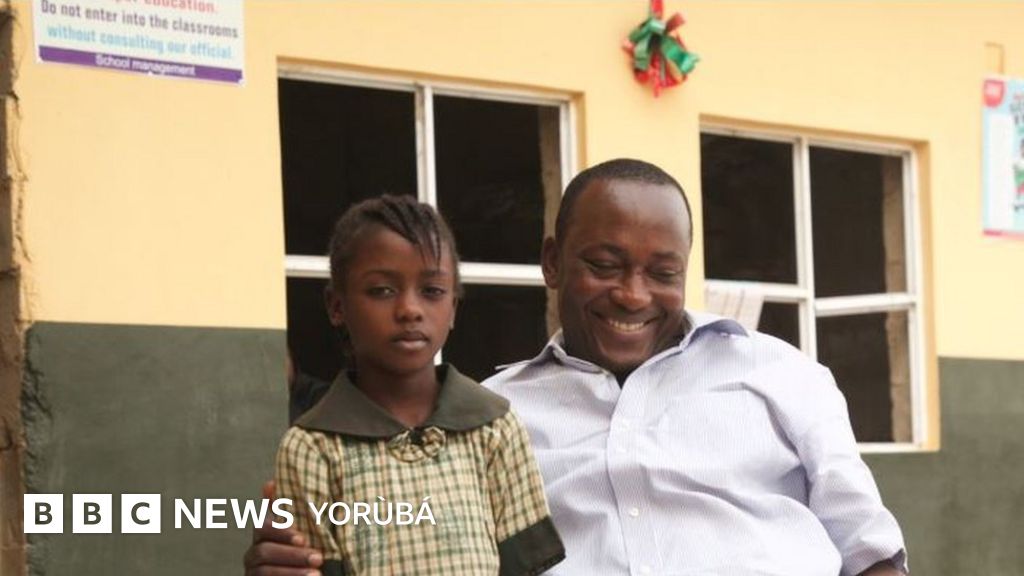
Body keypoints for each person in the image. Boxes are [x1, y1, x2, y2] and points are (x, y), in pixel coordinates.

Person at [246, 160, 907, 576]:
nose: (634, 295)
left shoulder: (782, 375)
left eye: (663, 272)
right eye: (605, 265)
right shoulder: (484, 419)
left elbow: (871, 551)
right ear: (552, 263)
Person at [271, 195, 564, 576]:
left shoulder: (495, 428)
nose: (410, 309)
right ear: (336, 306)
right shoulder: (313, 447)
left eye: (432, 291)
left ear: (453, 308)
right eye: (382, 290)